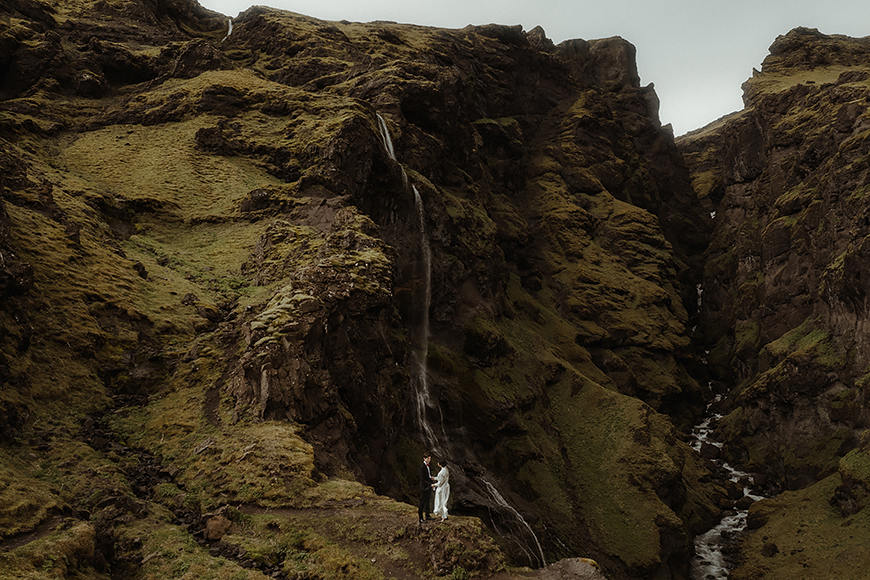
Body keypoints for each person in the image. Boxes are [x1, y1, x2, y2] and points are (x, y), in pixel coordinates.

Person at [418, 452, 435, 523]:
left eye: (430, 458)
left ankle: (427, 515)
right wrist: (430, 484)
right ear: (424, 459)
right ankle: (421, 518)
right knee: (422, 502)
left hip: (428, 485)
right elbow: (423, 479)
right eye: (428, 459)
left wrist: (431, 480)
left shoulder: (429, 466)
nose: (429, 460)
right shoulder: (422, 467)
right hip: (423, 487)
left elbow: (428, 476)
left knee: (428, 501)